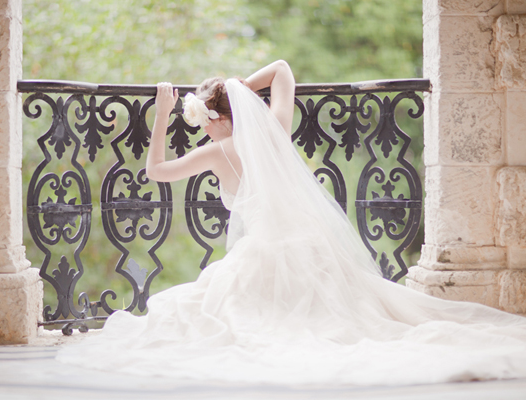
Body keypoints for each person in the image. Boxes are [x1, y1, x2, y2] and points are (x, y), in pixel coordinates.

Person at [58, 61, 526, 386]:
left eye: (203, 119)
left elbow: (155, 171)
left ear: (217, 119)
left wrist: (160, 117)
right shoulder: (275, 131)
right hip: (311, 248)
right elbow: (281, 68)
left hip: (262, 254)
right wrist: (241, 84)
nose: (200, 127)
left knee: (204, 316)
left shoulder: (217, 152)